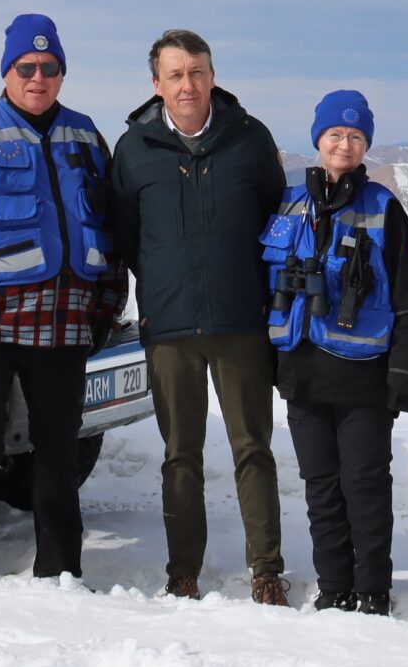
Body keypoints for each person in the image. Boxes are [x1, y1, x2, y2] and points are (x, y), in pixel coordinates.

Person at [0, 14, 129, 589]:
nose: (38, 77)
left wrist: (108, 305)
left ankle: (60, 567)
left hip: (65, 325)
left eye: (50, 67)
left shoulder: (86, 137)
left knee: (60, 452)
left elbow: (108, 229)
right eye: (26, 67)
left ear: (62, 73)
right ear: (7, 71)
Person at [110, 30, 291, 604]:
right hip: (169, 327)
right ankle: (183, 569)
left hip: (240, 321)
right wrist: (165, 280)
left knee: (252, 449)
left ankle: (265, 568)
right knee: (179, 454)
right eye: (175, 74)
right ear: (156, 84)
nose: (187, 84)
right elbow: (125, 234)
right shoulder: (134, 148)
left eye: (197, 72)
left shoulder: (249, 138)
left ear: (212, 75)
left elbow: (272, 219)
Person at [262, 90, 408, 616]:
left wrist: (403, 375)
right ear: (318, 141)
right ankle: (333, 585)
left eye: (356, 137)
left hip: (364, 378)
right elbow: (260, 288)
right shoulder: (289, 204)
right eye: (335, 134)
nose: (345, 144)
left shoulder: (383, 210)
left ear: (365, 147)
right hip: (301, 373)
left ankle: (374, 589)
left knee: (365, 486)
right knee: (320, 487)